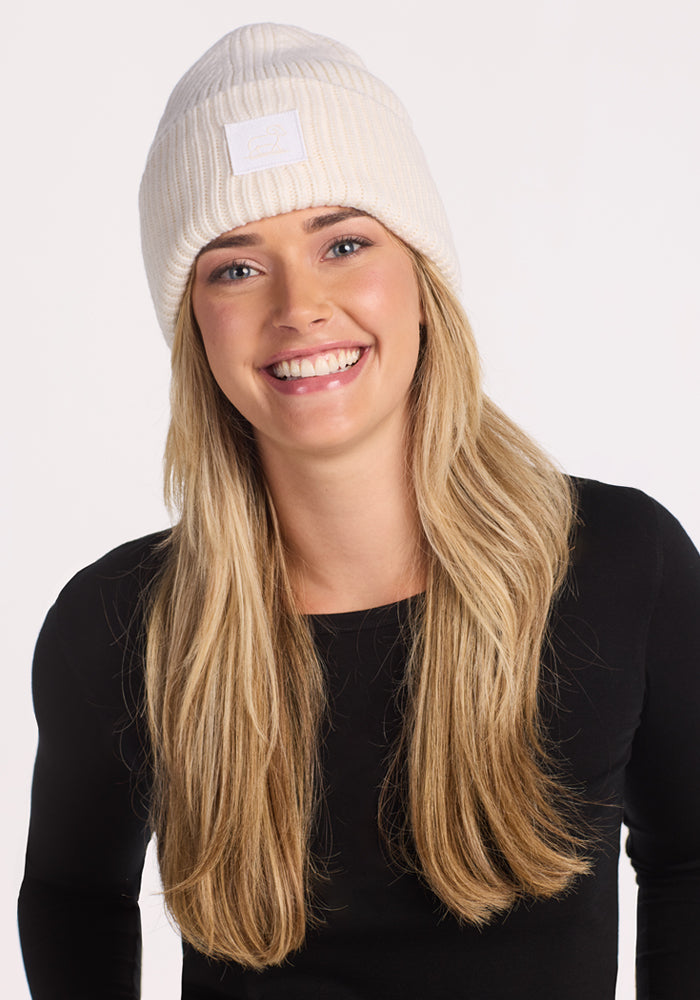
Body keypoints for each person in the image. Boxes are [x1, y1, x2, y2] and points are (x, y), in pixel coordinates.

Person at [18, 22, 700, 1000]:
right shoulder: (119, 625)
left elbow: (688, 858)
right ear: (193, 327)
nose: (300, 304)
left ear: (422, 281)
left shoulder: (621, 564)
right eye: (235, 266)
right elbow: (73, 897)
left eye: (343, 242)